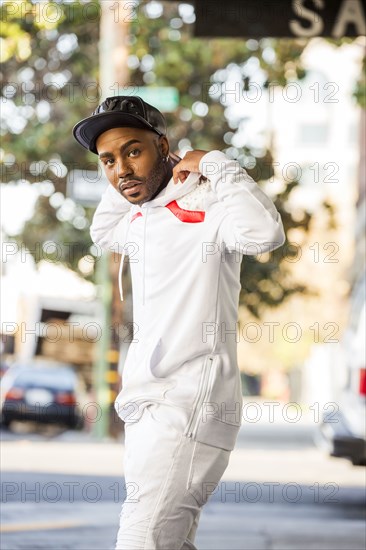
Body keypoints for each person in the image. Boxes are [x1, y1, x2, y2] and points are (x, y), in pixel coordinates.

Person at [73, 96, 285, 550]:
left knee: (141, 540)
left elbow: (265, 233)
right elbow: (102, 231)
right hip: (147, 405)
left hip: (191, 404)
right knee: (168, 542)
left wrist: (212, 162)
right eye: (107, 160)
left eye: (133, 151)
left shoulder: (208, 201)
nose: (120, 169)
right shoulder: (139, 217)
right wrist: (127, 178)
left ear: (164, 146)